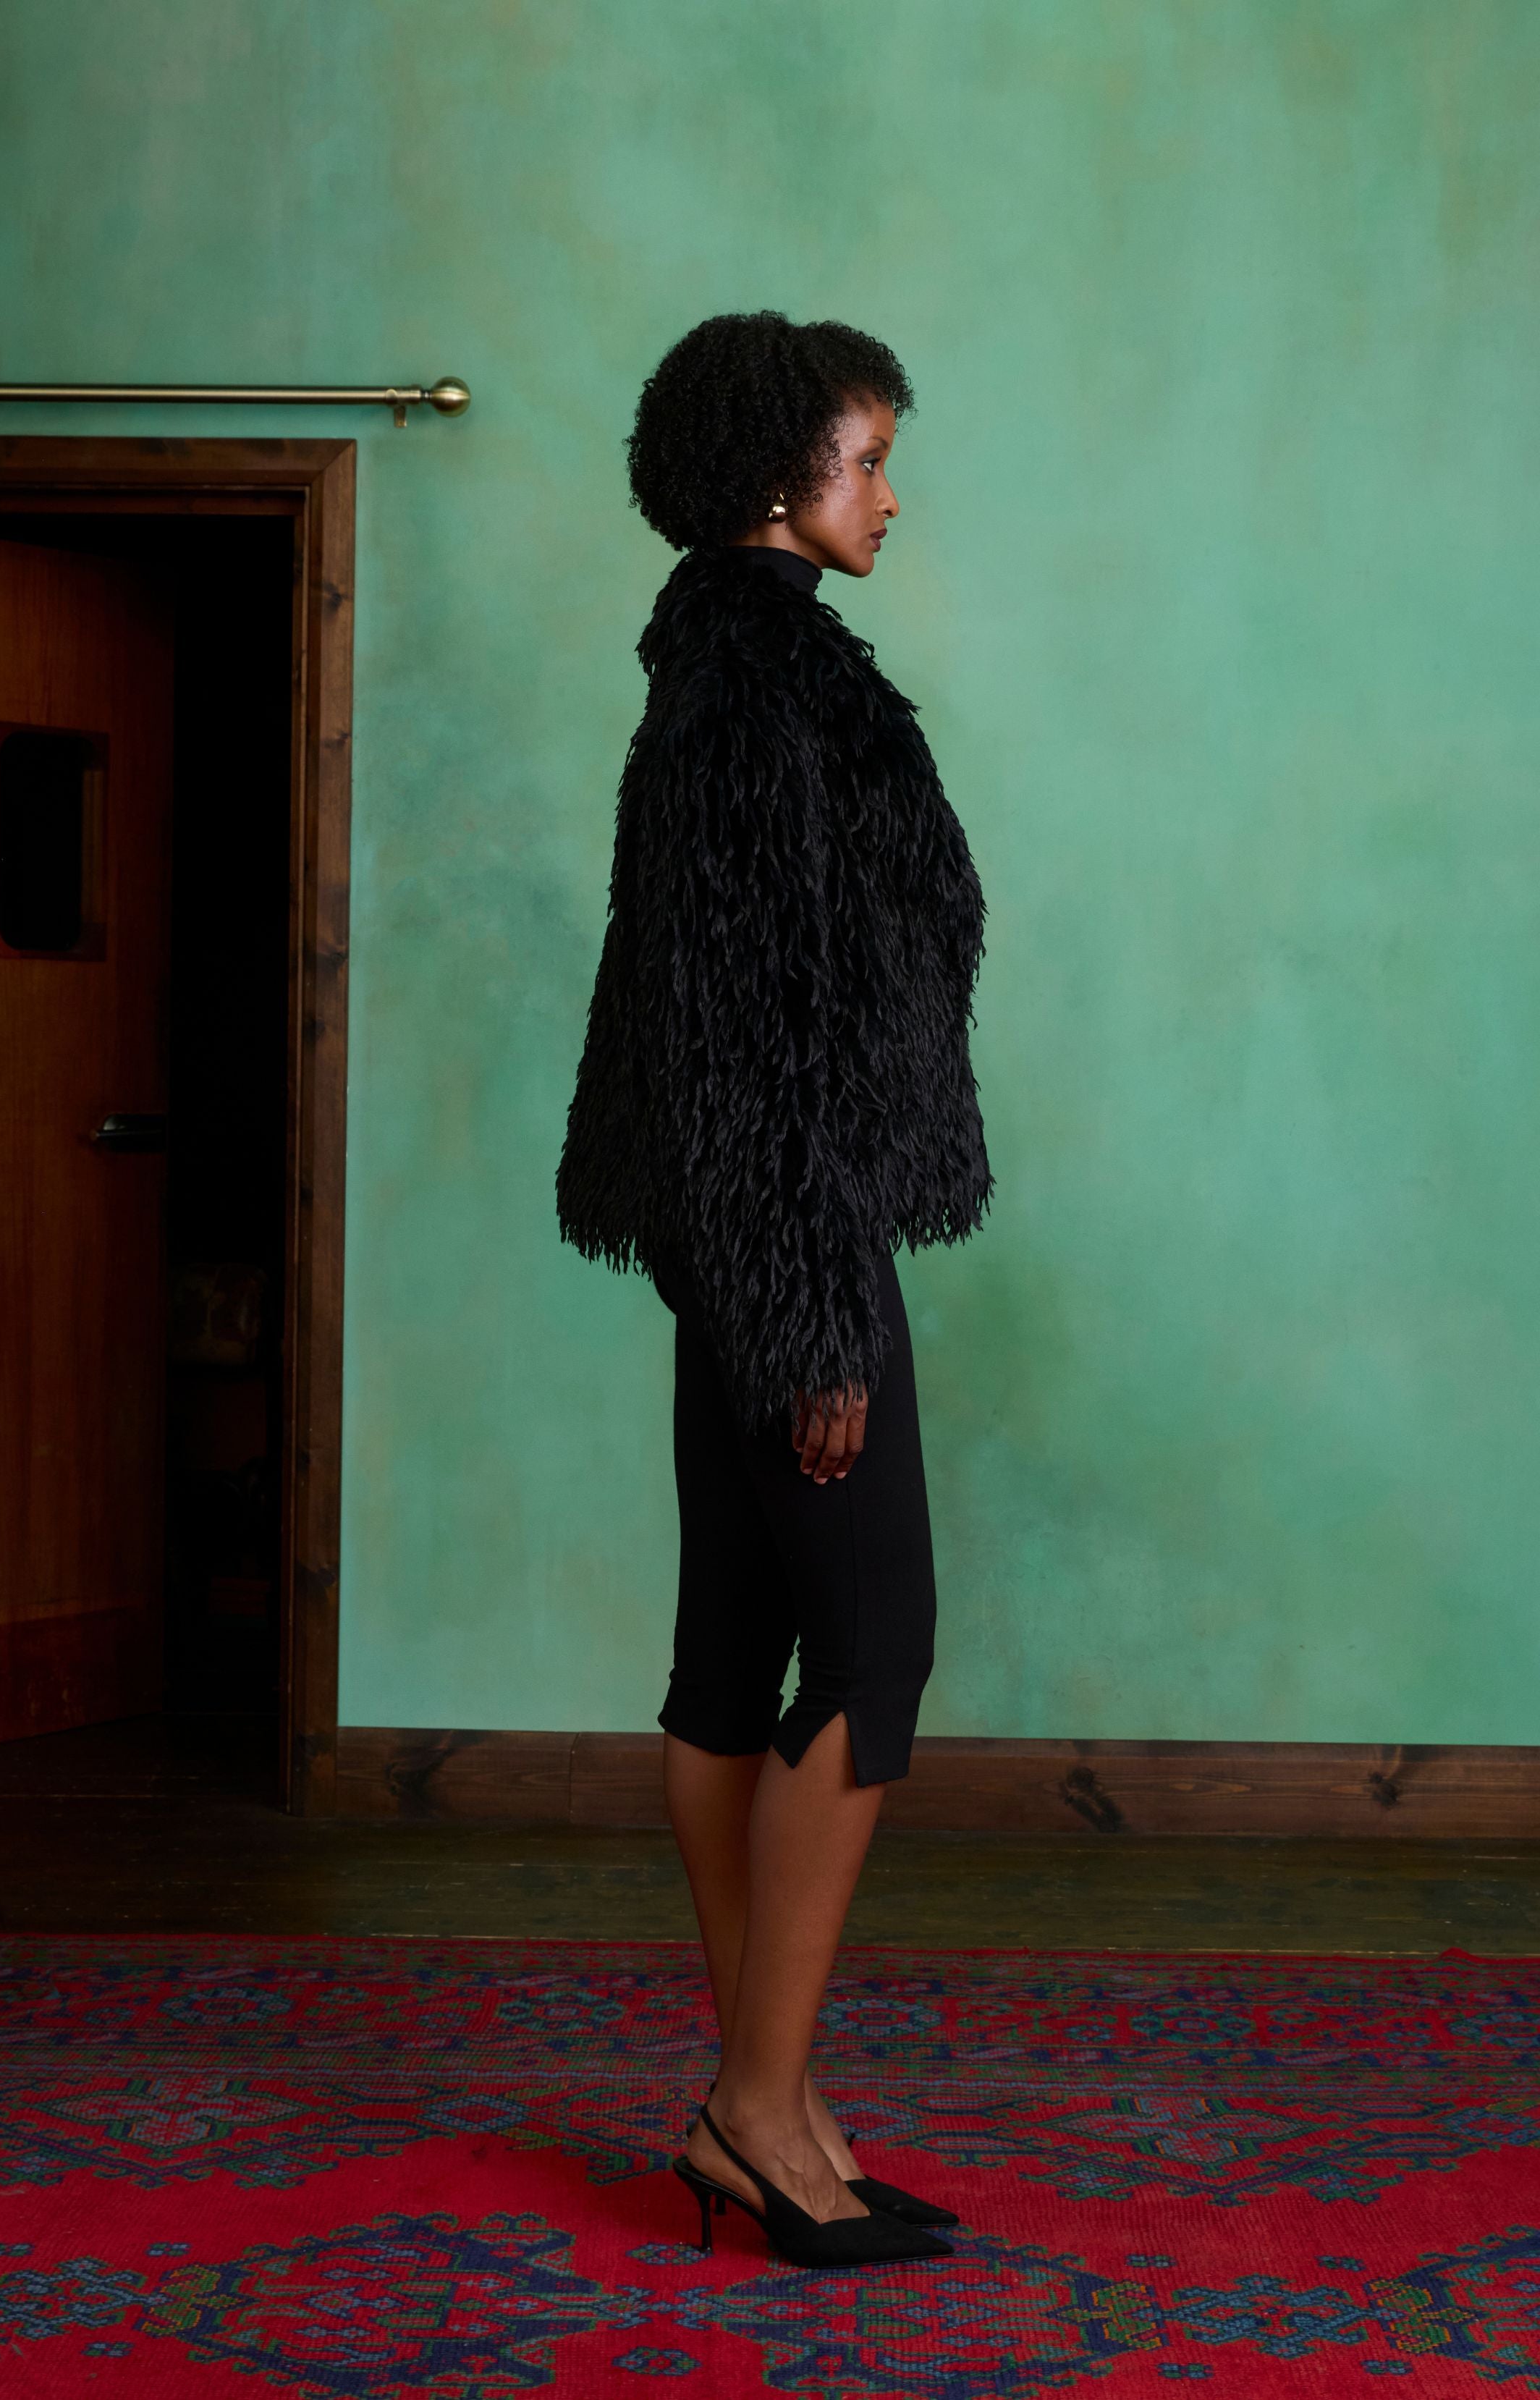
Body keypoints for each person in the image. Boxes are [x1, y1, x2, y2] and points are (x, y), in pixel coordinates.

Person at [557, 310, 991, 2267]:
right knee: (872, 1656)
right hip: (785, 1241)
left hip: (740, 1236)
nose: (890, 495)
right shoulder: (756, 691)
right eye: (866, 459)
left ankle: (778, 2101)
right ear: (773, 479)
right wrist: (813, 1314)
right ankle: (757, 2105)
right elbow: (747, 1034)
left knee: (731, 1658)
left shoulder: (731, 671)